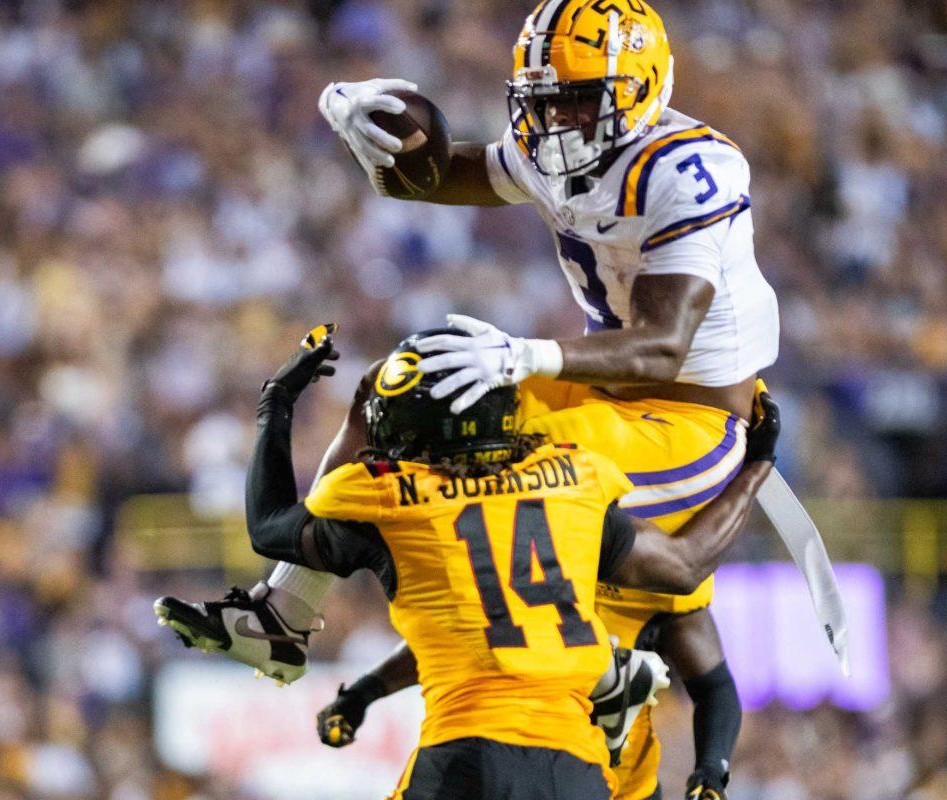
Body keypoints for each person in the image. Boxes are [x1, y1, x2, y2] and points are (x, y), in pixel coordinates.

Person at [157, 1, 779, 797]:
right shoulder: (564, 146)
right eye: (544, 99)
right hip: (599, 388)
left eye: (579, 99)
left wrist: (524, 356)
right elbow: (427, 176)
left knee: (514, 499)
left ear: (641, 88)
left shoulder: (687, 169)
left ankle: (612, 677)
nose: (557, 121)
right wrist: (353, 118)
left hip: (690, 420)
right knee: (399, 391)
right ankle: (281, 618)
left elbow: (664, 342)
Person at [197, 330, 777, 800]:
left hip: (468, 753)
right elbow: (682, 565)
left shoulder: (394, 500)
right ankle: (612, 679)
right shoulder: (574, 481)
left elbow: (270, 526)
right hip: (577, 768)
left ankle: (282, 616)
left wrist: (278, 405)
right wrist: (757, 466)